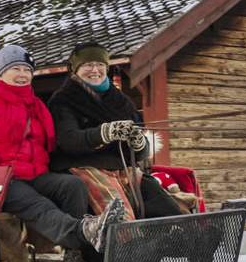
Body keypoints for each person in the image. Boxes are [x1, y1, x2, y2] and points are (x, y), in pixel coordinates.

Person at [0, 44, 123, 262]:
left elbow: (54, 145)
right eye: (15, 69)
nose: (22, 75)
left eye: (27, 70)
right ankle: (84, 230)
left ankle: (73, 260)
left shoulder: (36, 105)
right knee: (38, 205)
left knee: (73, 185)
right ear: (1, 72)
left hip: (35, 174)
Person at [47, 42, 185, 220]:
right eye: (88, 65)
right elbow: (68, 140)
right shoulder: (63, 100)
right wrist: (105, 132)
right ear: (75, 69)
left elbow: (140, 151)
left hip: (123, 168)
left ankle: (176, 241)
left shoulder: (121, 101)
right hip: (85, 166)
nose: (95, 70)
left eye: (100, 65)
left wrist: (139, 143)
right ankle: (125, 246)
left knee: (167, 208)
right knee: (120, 217)